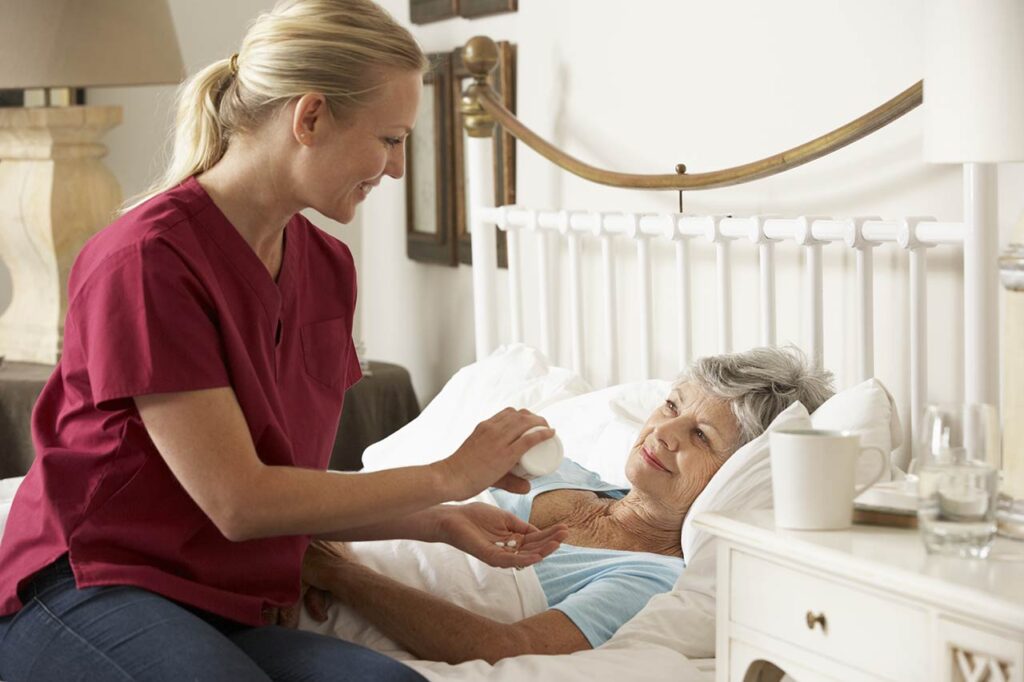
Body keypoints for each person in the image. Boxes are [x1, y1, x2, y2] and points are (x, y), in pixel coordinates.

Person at [0, 2, 565, 680]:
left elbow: (286, 484)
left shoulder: (327, 268)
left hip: (232, 600)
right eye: (389, 139)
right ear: (311, 117)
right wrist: (446, 473)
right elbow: (238, 501)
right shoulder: (148, 259)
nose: (397, 169)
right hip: (94, 586)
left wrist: (435, 518)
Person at [299, 346, 835, 664]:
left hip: (319, 591)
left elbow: (508, 648)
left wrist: (333, 572)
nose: (664, 431)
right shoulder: (558, 469)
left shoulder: (649, 579)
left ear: (736, 478)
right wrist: (306, 540)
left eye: (701, 436)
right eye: (671, 405)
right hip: (301, 542)